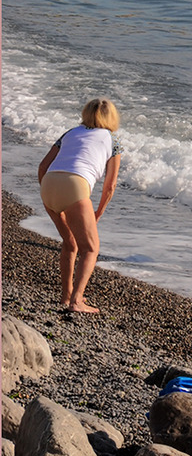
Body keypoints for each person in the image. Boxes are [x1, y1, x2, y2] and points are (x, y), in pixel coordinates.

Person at [37, 98, 122, 313]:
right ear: (112, 118)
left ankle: (65, 297)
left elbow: (43, 166)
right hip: (74, 186)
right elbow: (110, 186)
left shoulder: (70, 133)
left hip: (48, 184)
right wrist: (98, 213)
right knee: (91, 248)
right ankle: (77, 300)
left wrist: (50, 192)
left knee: (70, 242)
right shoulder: (112, 140)